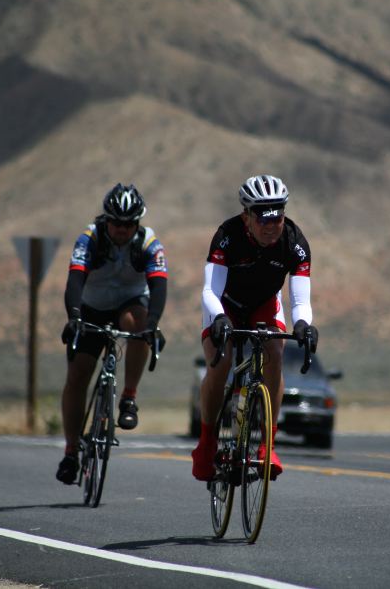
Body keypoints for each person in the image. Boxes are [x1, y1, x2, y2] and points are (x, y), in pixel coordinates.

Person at [191, 174, 319, 482]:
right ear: (246, 216)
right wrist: (220, 318)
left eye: (277, 216)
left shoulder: (295, 243)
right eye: (262, 218)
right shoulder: (227, 235)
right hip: (225, 305)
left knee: (275, 352)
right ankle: (207, 444)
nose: (270, 226)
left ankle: (267, 445)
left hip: (263, 304)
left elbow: (300, 299)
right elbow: (211, 290)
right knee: (220, 364)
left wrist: (304, 324)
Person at [55, 183, 168, 485]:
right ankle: (70, 451)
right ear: (106, 220)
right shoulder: (89, 239)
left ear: (138, 222)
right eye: (116, 223)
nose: (121, 229)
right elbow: (74, 281)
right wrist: (74, 317)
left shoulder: (148, 243)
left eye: (129, 223)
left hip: (129, 304)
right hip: (91, 307)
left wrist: (153, 323)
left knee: (140, 322)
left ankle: (129, 398)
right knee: (78, 375)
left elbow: (158, 287)